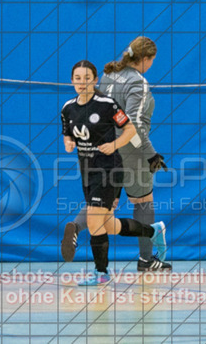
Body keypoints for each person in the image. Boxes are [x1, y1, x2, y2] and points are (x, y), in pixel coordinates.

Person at [62, 36, 171, 272]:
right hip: (129, 147)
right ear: (145, 59)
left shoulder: (109, 74)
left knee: (103, 204)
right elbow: (134, 125)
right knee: (143, 201)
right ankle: (146, 259)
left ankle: (75, 227)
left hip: (104, 147)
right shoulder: (138, 82)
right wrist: (151, 154)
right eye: (152, 60)